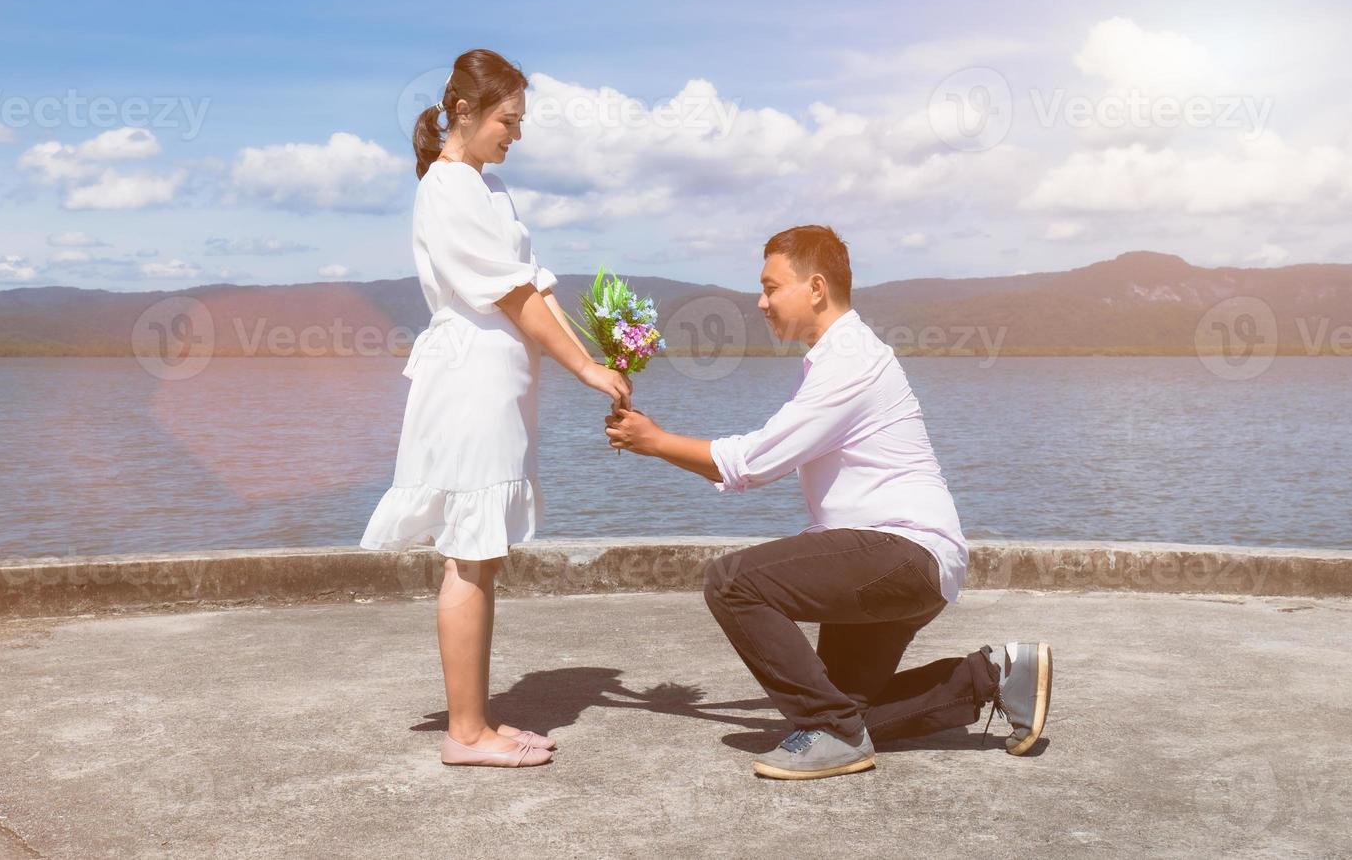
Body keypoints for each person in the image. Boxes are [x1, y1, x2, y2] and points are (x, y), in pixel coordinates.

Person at [604, 225, 1052, 780]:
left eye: (771, 288)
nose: (760, 302)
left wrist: (655, 442)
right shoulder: (839, 356)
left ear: (815, 287)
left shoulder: (850, 361)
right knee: (849, 714)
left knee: (732, 582)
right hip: (904, 560)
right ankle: (997, 675)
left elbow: (756, 461)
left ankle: (835, 734)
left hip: (899, 554)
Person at [362, 48, 632, 768]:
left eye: (520, 120)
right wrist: (585, 368)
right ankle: (466, 733)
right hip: (472, 379)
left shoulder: (490, 189)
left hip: (504, 380)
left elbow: (535, 288)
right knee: (471, 552)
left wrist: (604, 357)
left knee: (484, 556)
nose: (516, 134)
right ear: (464, 113)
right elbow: (510, 296)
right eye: (508, 120)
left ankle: (475, 720)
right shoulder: (447, 189)